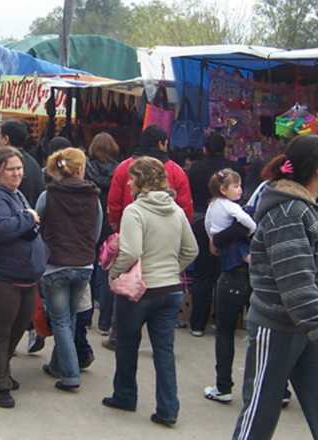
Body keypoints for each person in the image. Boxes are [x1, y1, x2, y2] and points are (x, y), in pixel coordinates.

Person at [233, 135, 318, 440]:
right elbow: (297, 286)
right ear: (315, 169)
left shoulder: (313, 207)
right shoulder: (287, 214)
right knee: (261, 412)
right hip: (278, 327)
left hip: (310, 328)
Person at [102, 157, 198, 428]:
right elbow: (191, 250)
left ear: (141, 180)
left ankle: (125, 395)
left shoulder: (135, 211)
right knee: (164, 352)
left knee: (127, 345)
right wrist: (172, 268)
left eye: (132, 178)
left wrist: (114, 274)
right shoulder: (177, 211)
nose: (129, 182)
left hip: (139, 291)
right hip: (170, 290)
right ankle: (168, 409)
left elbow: (131, 251)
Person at [104, 125, 193, 350]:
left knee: (126, 282)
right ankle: (161, 338)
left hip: (130, 230)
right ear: (162, 143)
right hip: (165, 238)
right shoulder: (175, 170)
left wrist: (117, 226)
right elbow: (185, 206)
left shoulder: (125, 167)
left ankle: (117, 333)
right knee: (160, 285)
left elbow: (113, 202)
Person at [0, 146, 48, 409]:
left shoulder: (14, 194)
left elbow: (27, 224)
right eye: (11, 169)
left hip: (25, 277)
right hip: (4, 277)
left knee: (17, 327)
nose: (17, 173)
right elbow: (0, 229)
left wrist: (28, 221)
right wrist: (28, 219)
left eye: (19, 168)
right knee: (0, 330)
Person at [35, 148, 101, 392]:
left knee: (61, 320)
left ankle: (70, 374)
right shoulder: (93, 196)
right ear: (80, 168)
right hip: (84, 264)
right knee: (69, 318)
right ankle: (56, 365)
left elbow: (35, 225)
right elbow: (96, 232)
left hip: (55, 265)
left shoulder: (48, 195)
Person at [201, 168, 256, 404]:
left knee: (224, 331)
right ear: (224, 189)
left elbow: (210, 235)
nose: (241, 190)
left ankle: (223, 386)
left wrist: (216, 239)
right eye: (236, 186)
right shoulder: (232, 208)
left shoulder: (213, 207)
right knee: (261, 333)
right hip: (248, 273)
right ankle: (269, 389)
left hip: (230, 273)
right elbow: (248, 224)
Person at [0, 121, 47, 354]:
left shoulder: (5, 166)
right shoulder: (35, 165)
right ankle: (31, 329)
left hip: (12, 236)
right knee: (28, 292)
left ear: (6, 139)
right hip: (33, 235)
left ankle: (6, 344)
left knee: (10, 296)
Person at [186, 134, 235, 337]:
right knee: (224, 273)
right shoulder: (232, 170)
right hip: (227, 222)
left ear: (205, 149)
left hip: (199, 220)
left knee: (202, 274)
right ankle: (221, 321)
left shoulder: (195, 169)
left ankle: (198, 323)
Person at [85, 133, 119, 338]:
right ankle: (104, 321)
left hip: (89, 222)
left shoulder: (85, 169)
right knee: (107, 268)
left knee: (87, 268)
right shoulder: (119, 171)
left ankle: (85, 316)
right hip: (109, 223)